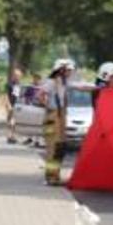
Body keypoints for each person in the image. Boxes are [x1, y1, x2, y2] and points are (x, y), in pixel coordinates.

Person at [39, 58, 75, 186]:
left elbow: (80, 86)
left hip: (59, 118)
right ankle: (50, 177)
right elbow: (40, 94)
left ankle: (55, 175)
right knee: (52, 149)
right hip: (52, 119)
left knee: (59, 148)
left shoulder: (62, 83)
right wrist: (48, 106)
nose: (68, 72)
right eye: (66, 70)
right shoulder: (51, 82)